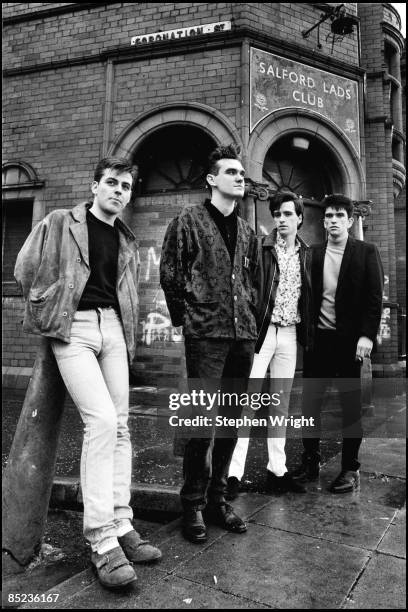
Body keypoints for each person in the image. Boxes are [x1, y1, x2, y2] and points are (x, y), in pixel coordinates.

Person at [14, 157, 162, 590]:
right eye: (111, 183)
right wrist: (48, 306)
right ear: (95, 186)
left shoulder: (126, 237)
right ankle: (101, 540)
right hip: (73, 330)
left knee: (120, 426)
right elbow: (25, 269)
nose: (118, 190)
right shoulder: (62, 221)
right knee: (99, 421)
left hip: (113, 327)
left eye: (125, 186)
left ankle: (121, 523)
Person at [160, 144, 259, 543]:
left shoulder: (249, 230)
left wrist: (251, 321)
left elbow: (251, 281)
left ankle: (218, 499)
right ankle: (193, 505)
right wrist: (187, 319)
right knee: (202, 424)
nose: (240, 178)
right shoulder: (189, 219)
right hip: (207, 334)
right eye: (232, 172)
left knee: (232, 422)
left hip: (242, 336)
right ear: (212, 179)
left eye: (242, 173)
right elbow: (171, 272)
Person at [292, 194, 384, 493]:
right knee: (311, 404)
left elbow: (374, 298)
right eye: (328, 216)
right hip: (318, 341)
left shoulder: (366, 252)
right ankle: (310, 462)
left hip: (349, 343)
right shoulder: (313, 254)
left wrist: (367, 336)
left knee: (350, 406)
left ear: (350, 219)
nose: (332, 220)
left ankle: (350, 468)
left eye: (339, 216)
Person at [227, 191, 312, 499]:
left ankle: (278, 469)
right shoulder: (262, 247)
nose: (282, 219)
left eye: (288, 214)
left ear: (300, 218)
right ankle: (233, 473)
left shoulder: (307, 253)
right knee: (247, 404)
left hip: (289, 334)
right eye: (277, 214)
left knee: (280, 404)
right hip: (262, 334)